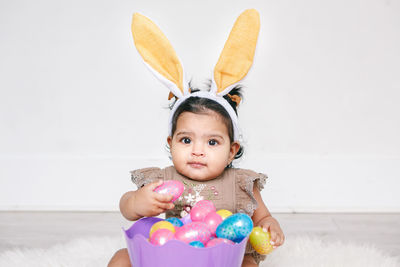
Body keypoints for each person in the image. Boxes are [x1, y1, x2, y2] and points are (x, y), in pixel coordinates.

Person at [108, 9, 285, 267]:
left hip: (222, 259)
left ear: (232, 150)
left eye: (212, 142)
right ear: (171, 143)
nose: (197, 151)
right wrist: (137, 202)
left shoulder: (241, 183)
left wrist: (271, 227)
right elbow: (126, 207)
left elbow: (263, 218)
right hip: (170, 257)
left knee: (248, 264)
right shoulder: (163, 179)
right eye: (186, 140)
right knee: (122, 258)